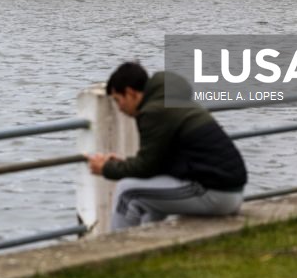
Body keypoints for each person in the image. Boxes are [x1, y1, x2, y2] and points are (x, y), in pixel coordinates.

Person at [87, 62, 247, 231]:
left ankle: (117, 247)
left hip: (214, 193)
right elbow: (157, 163)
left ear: (130, 93)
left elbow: (145, 167)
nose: (119, 108)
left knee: (126, 192)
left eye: (118, 100)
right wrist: (121, 164)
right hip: (228, 192)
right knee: (150, 200)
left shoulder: (154, 112)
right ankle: (148, 243)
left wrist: (106, 168)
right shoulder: (168, 101)